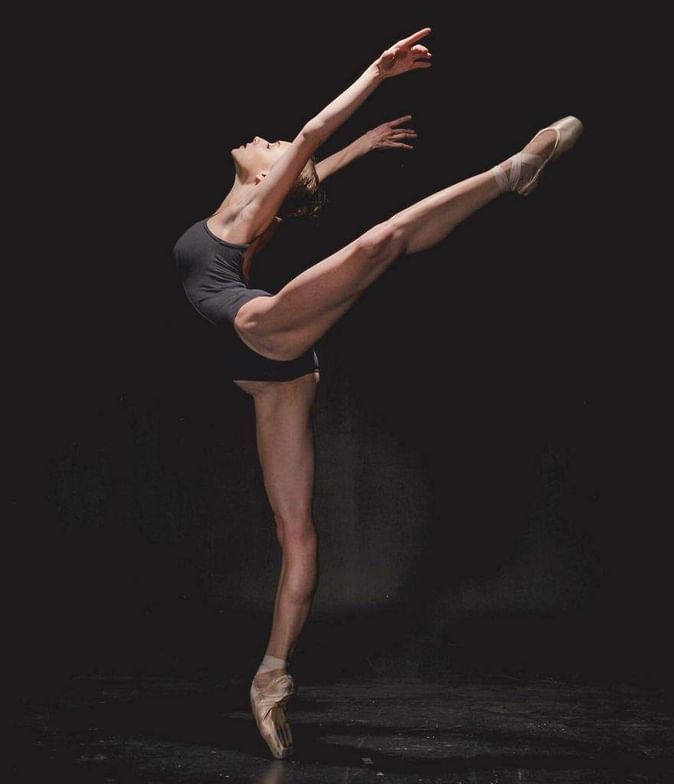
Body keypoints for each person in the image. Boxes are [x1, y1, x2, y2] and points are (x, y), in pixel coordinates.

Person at [172, 26, 583, 759]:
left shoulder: (246, 217)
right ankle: (271, 675)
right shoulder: (248, 214)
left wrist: (376, 73)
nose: (267, 140)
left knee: (377, 244)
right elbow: (303, 167)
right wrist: (357, 151)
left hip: (262, 331)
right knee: (296, 534)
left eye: (273, 148)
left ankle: (510, 172)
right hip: (275, 374)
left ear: (268, 180)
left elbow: (307, 138)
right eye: (273, 148)